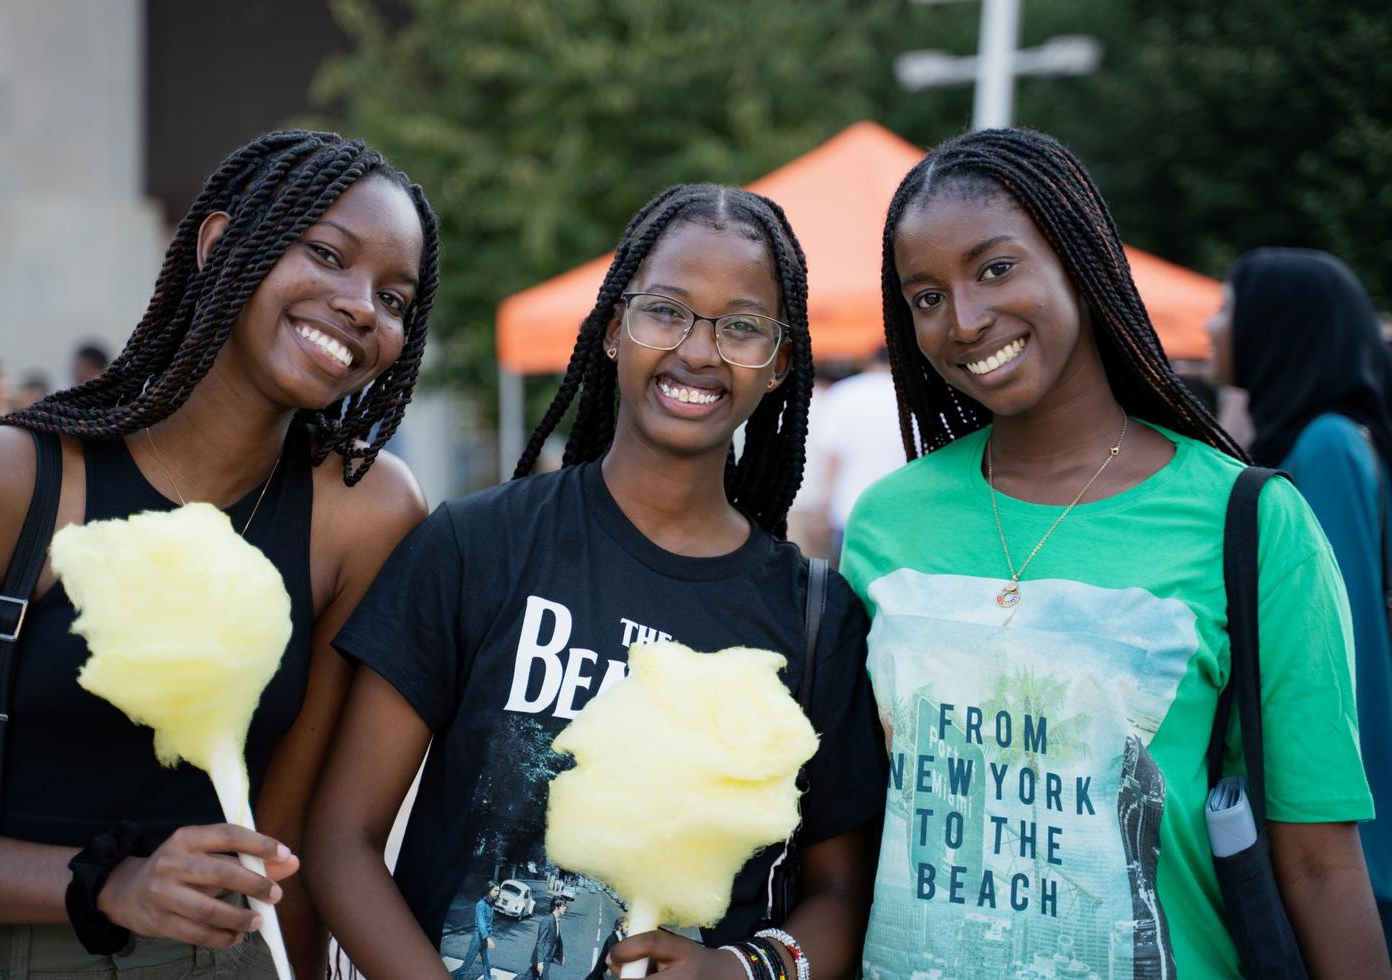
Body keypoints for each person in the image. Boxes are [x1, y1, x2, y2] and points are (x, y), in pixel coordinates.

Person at [843, 128, 1390, 978]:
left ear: (1079, 257)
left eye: (995, 268)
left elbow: (1319, 862)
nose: (965, 319)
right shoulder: (888, 524)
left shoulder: (1250, 521)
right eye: (925, 297)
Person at [304, 183, 886, 980]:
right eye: (666, 311)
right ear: (614, 328)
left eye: (742, 327)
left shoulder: (814, 616)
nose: (698, 351)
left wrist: (744, 971)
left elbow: (842, 892)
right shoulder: (477, 545)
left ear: (780, 364)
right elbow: (341, 839)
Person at [0, 130, 439, 978]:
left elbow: (289, 848)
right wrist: (106, 884)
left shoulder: (365, 512)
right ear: (219, 244)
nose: (360, 306)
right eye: (327, 254)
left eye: (394, 297)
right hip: (1, 952)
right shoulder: (10, 482)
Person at [1207, 247, 1392, 949]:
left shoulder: (1328, 447)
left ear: (1277, 328)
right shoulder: (1317, 437)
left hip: (1345, 828)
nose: (1211, 324)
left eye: (1229, 307)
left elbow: (1343, 654)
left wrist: (1360, 849)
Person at [814, 346, 906, 560]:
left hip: (848, 509)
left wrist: (823, 508)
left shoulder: (844, 392)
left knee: (847, 584)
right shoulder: (912, 393)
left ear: (868, 362)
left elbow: (832, 458)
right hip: (900, 510)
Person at [456, 884, 500, 980]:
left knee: (487, 963)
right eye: (496, 890)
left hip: (484, 938)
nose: (498, 893)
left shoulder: (490, 905)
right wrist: (488, 938)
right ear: (489, 890)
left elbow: (488, 923)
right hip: (478, 938)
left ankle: (488, 978)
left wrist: (488, 936)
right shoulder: (481, 904)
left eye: (498, 891)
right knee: (467, 964)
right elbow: (481, 923)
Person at [516, 897, 566, 980]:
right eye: (563, 906)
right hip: (543, 958)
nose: (565, 908)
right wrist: (540, 961)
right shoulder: (547, 920)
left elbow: (557, 941)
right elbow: (540, 941)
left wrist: (561, 955)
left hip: (547, 956)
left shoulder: (556, 920)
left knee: (530, 976)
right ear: (557, 907)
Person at [585, 915, 626, 980]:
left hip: (604, 971)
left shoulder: (618, 938)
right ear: (619, 927)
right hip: (603, 970)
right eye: (626, 926)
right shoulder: (613, 938)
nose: (628, 929)